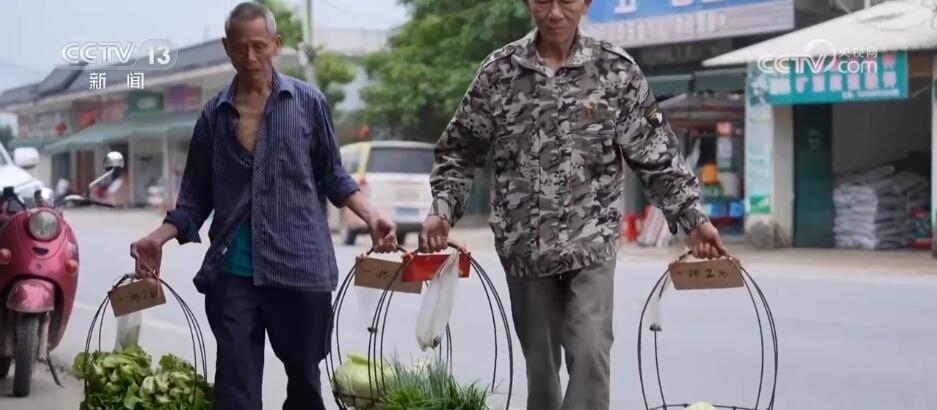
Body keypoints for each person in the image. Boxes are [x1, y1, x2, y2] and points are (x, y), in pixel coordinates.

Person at [419, 1, 728, 409]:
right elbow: (459, 150)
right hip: (525, 249)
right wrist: (442, 209)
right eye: (543, 1)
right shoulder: (499, 72)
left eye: (566, 1)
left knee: (591, 354)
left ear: (586, 3)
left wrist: (692, 218)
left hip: (591, 244)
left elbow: (656, 154)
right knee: (542, 374)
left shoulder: (614, 70)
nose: (554, 13)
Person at [128, 3, 397, 410]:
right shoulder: (214, 116)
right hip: (234, 273)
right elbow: (194, 198)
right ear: (227, 48)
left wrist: (372, 215)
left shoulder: (308, 103)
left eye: (259, 46)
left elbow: (333, 175)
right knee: (235, 388)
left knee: (305, 384)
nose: (250, 57)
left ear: (276, 44)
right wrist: (157, 238)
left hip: (301, 267)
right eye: (240, 47)